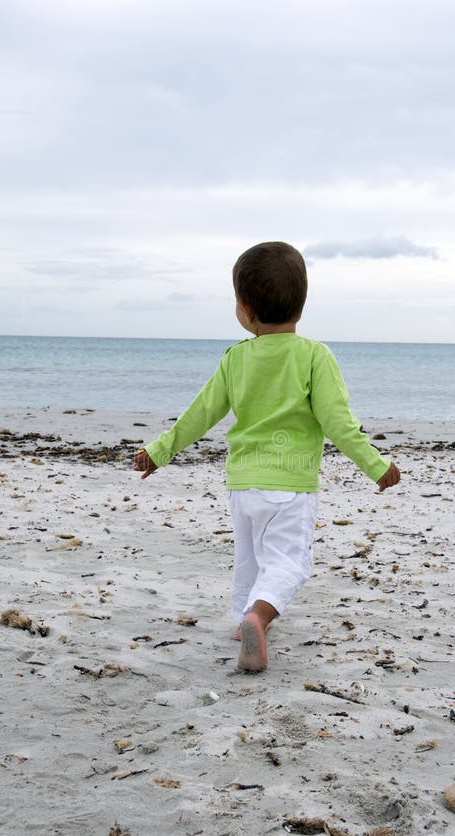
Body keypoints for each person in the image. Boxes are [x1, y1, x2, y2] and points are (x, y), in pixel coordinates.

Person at [133, 241, 401, 672]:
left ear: (244, 310)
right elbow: (337, 422)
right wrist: (376, 464)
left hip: (243, 484)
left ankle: (245, 618)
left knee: (250, 560)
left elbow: (201, 414)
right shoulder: (315, 355)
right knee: (289, 563)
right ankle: (259, 617)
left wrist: (160, 451)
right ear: (302, 303)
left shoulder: (236, 359)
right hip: (290, 485)